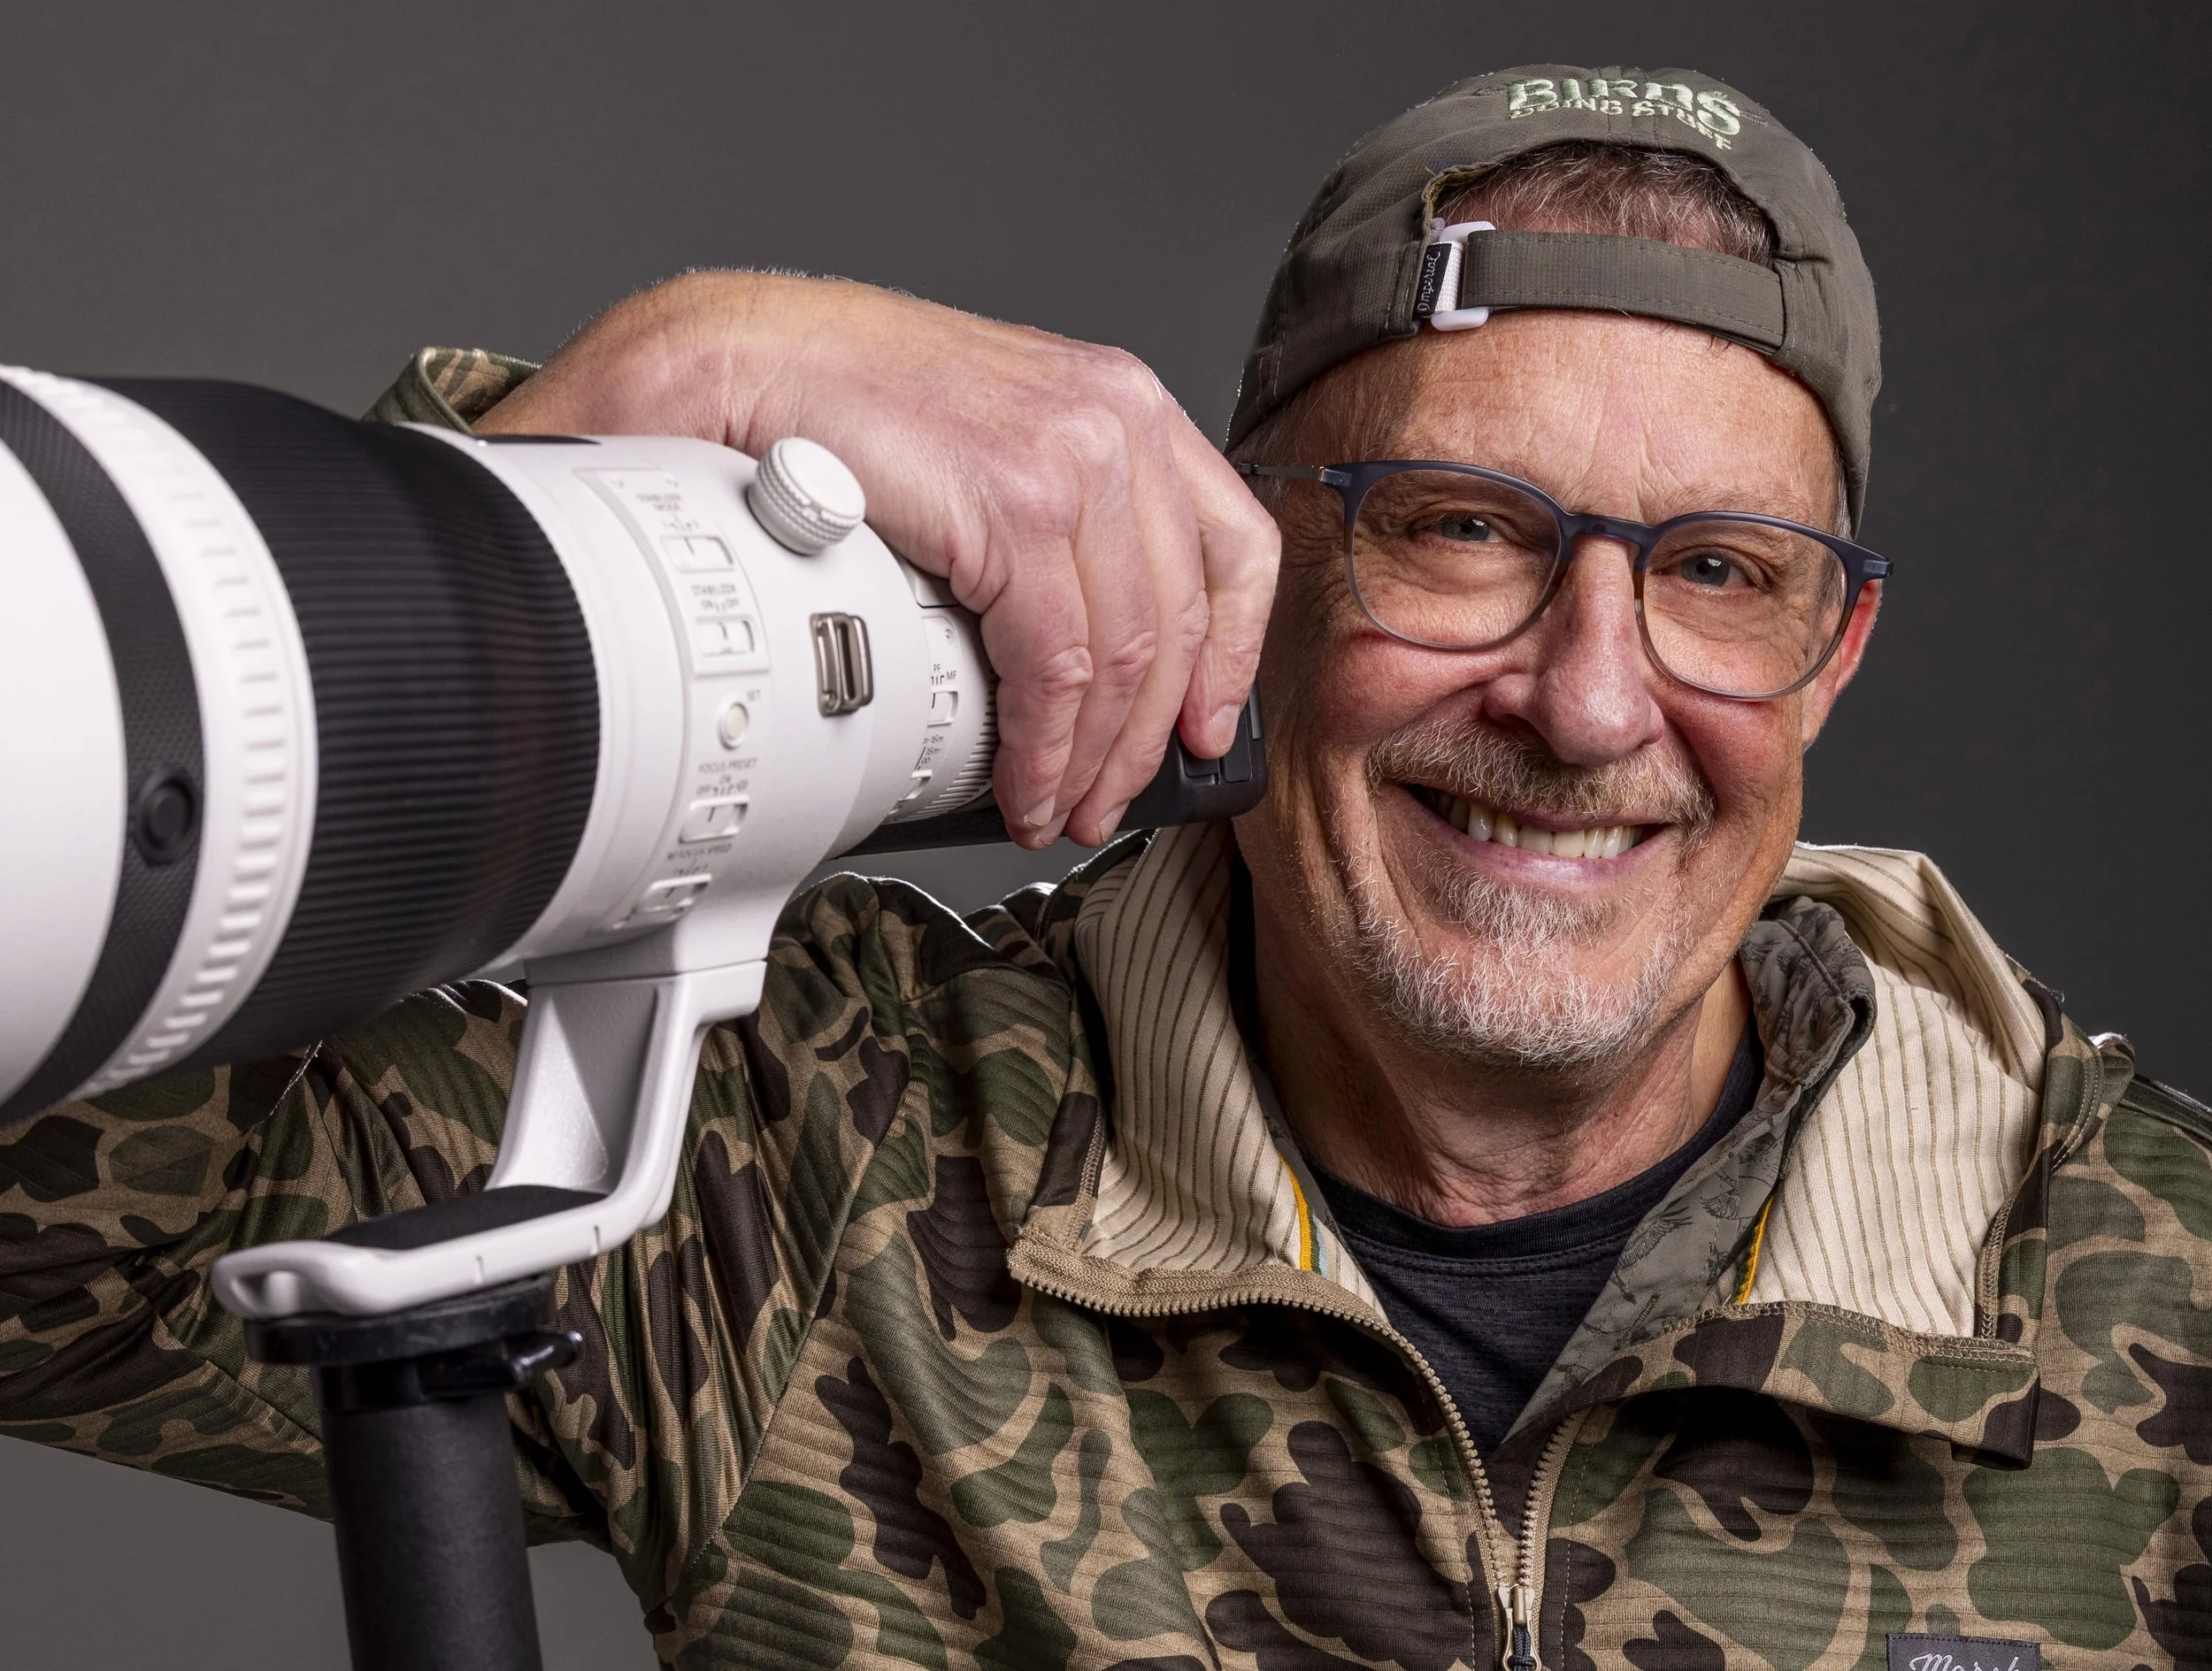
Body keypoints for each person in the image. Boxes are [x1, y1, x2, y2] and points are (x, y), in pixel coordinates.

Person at [4, 65, 2207, 1671]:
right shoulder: (812, 1156)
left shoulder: (2149, 1297)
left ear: (1827, 648)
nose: (1588, 700)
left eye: (1721, 573)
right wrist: (594, 464)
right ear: (1250, 564)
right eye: (1460, 526)